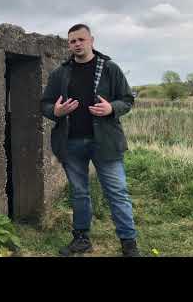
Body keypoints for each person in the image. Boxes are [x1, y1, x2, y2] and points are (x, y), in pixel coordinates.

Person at [41, 24, 140, 257]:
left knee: (117, 192)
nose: (76, 44)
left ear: (91, 40)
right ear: (69, 44)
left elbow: (127, 99)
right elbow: (45, 103)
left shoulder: (110, 69)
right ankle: (82, 239)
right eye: (72, 41)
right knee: (79, 193)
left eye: (81, 39)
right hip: (71, 142)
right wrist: (56, 111)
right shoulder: (60, 73)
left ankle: (129, 243)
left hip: (104, 142)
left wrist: (111, 108)